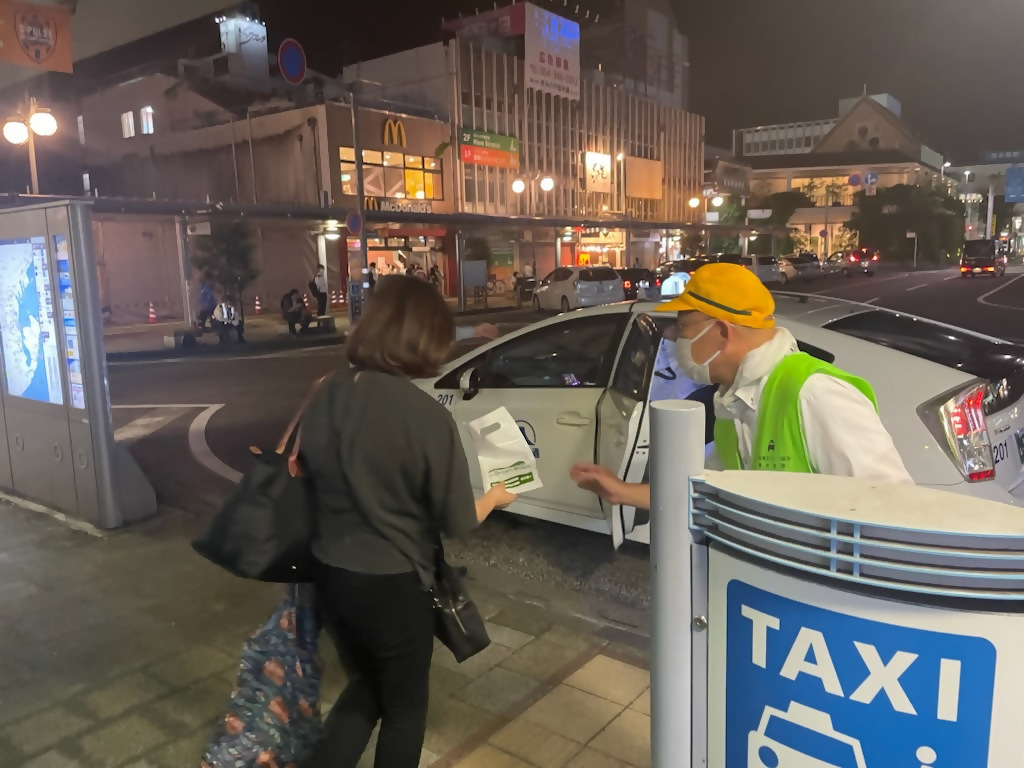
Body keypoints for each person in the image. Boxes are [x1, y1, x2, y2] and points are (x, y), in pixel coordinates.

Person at [298, 275, 516, 768]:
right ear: (422, 339)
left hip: (329, 572)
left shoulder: (327, 392)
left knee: (367, 688)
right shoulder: (425, 416)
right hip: (393, 587)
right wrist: (495, 498)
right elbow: (457, 518)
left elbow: (308, 471)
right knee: (404, 709)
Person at [570, 262, 912, 509]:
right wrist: (620, 492)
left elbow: (894, 508)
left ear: (720, 332)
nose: (675, 342)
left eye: (683, 330)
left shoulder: (813, 392)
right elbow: (709, 488)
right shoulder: (732, 405)